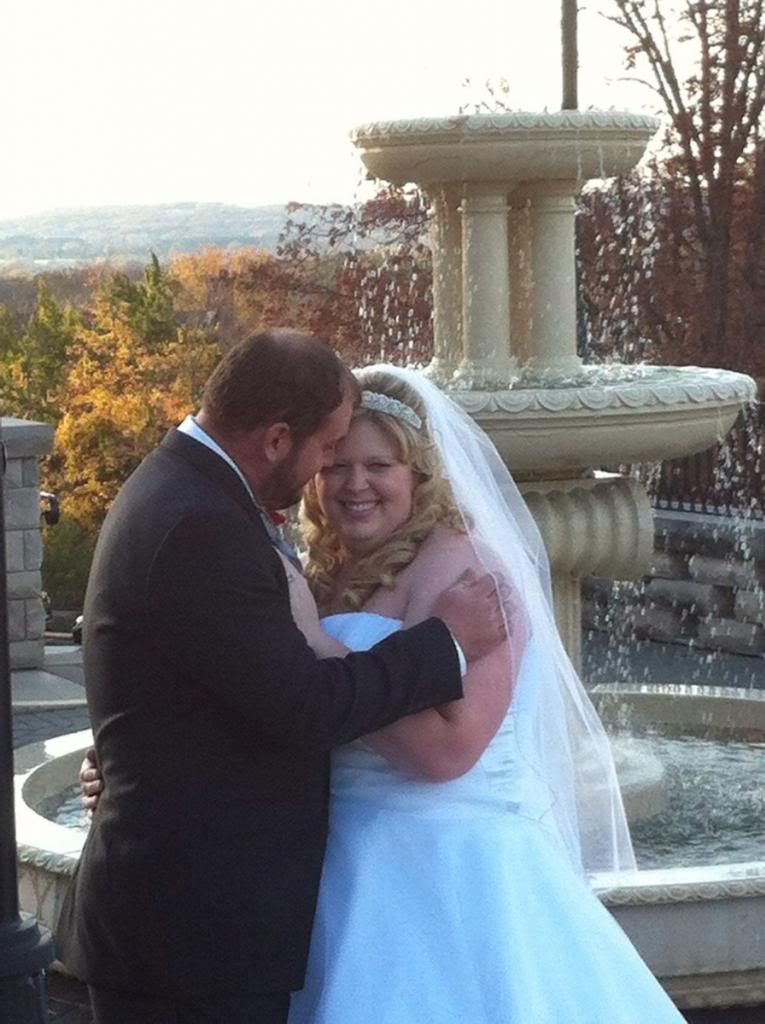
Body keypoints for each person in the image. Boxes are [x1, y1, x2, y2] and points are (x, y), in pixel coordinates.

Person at [55, 331, 510, 1024]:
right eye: (329, 452)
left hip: (241, 917)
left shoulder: (188, 494)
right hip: (193, 934)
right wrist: (443, 642)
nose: (337, 474)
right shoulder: (204, 524)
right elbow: (305, 706)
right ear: (275, 440)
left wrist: (130, 753)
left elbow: (204, 678)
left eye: (375, 463)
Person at [281, 365, 686, 1022]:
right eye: (336, 466)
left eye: (379, 466)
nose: (355, 485)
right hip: (337, 866)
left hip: (445, 871)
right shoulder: (322, 573)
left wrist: (318, 653)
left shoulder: (466, 570)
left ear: (419, 472)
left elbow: (451, 752)